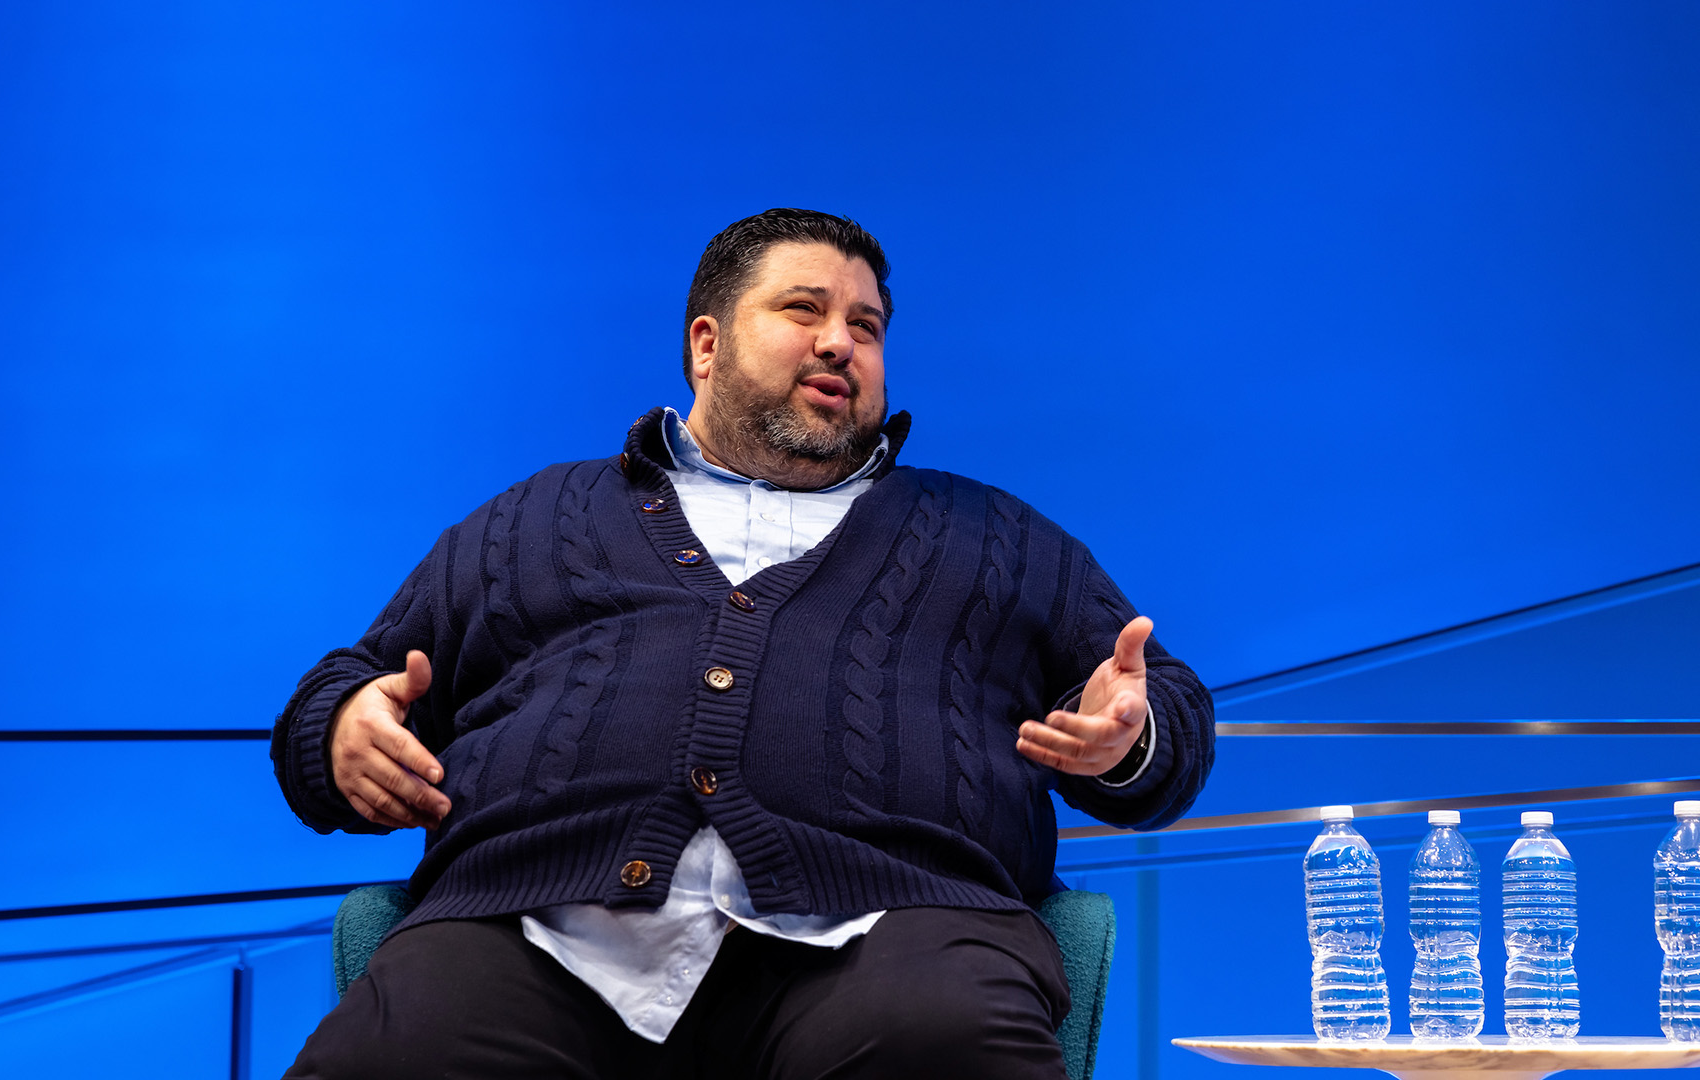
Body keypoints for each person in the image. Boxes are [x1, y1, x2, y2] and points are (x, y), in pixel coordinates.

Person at [273, 208, 1215, 1079]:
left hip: (898, 929)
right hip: (536, 934)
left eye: (869, 326)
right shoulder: (534, 518)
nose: (841, 340)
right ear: (707, 344)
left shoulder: (998, 537)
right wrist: (342, 730)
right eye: (804, 308)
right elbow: (345, 688)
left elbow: (1164, 717)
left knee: (946, 1042)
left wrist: (1128, 742)